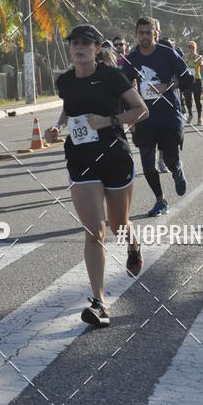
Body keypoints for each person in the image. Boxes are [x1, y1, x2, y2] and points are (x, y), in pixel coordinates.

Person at [44, 24, 148, 328]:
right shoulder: (64, 81)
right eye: (74, 43)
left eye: (85, 44)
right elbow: (69, 110)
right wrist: (57, 127)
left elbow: (141, 110)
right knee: (94, 232)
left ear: (96, 48)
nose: (78, 48)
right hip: (80, 159)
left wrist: (108, 120)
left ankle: (133, 245)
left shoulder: (111, 76)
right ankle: (100, 303)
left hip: (114, 156)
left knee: (118, 225)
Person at [122, 17, 194, 217]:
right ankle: (160, 200)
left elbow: (188, 79)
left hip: (169, 117)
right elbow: (122, 87)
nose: (145, 36)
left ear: (156, 33)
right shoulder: (132, 59)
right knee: (146, 163)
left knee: (170, 159)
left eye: (148, 32)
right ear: (136, 34)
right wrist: (129, 118)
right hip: (144, 119)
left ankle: (177, 171)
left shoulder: (168, 54)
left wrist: (168, 86)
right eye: (141, 32)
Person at [182, 40, 203, 125]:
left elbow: (202, 66)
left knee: (197, 100)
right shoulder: (184, 57)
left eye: (193, 47)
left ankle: (199, 117)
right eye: (189, 47)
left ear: (195, 48)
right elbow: (181, 67)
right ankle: (190, 114)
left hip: (196, 80)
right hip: (187, 81)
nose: (191, 48)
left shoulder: (198, 57)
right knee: (187, 99)